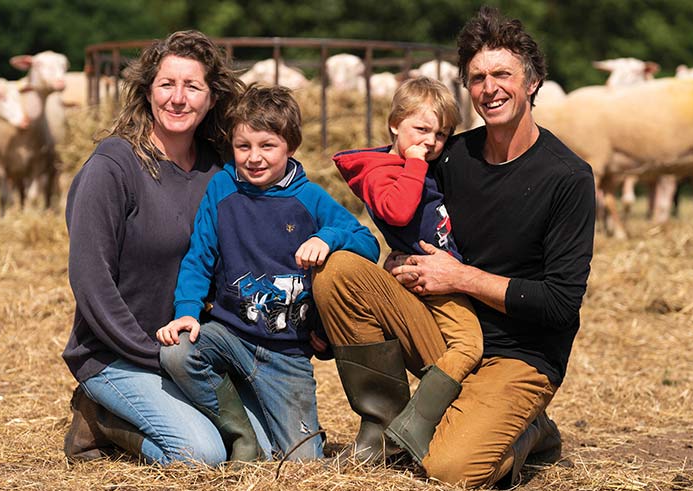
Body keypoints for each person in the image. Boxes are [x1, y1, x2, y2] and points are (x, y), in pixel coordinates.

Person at [312, 6, 596, 488]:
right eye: (478, 77)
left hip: (520, 354)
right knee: (338, 272)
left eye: (503, 74)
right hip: (445, 326)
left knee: (450, 469)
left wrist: (458, 277)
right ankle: (386, 424)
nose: (490, 88)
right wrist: (399, 262)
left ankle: (529, 430)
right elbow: (408, 221)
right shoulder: (451, 155)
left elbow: (561, 303)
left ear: (532, 81)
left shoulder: (567, 177)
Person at [61, 30, 275, 466]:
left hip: (191, 353)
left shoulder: (221, 170)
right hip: (117, 353)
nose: (178, 99)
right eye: (166, 85)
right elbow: (90, 279)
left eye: (192, 86)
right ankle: (100, 418)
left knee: (267, 448)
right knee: (201, 454)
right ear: (148, 91)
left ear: (211, 97)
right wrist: (152, 353)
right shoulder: (114, 166)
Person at [155, 84, 380, 463]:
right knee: (177, 353)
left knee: (303, 463)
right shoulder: (223, 189)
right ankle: (239, 432)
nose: (254, 157)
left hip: (287, 354)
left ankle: (275, 427)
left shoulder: (310, 199)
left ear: (290, 146)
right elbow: (199, 256)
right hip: (230, 335)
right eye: (244, 147)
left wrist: (329, 238)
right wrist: (187, 312)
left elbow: (367, 243)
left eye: (267, 146)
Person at [331, 76, 483, 463]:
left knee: (464, 348)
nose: (429, 141)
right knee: (469, 346)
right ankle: (412, 423)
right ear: (394, 123)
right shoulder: (384, 170)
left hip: (447, 275)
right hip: (435, 283)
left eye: (441, 134)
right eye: (420, 129)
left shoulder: (422, 164)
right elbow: (396, 211)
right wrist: (414, 165)